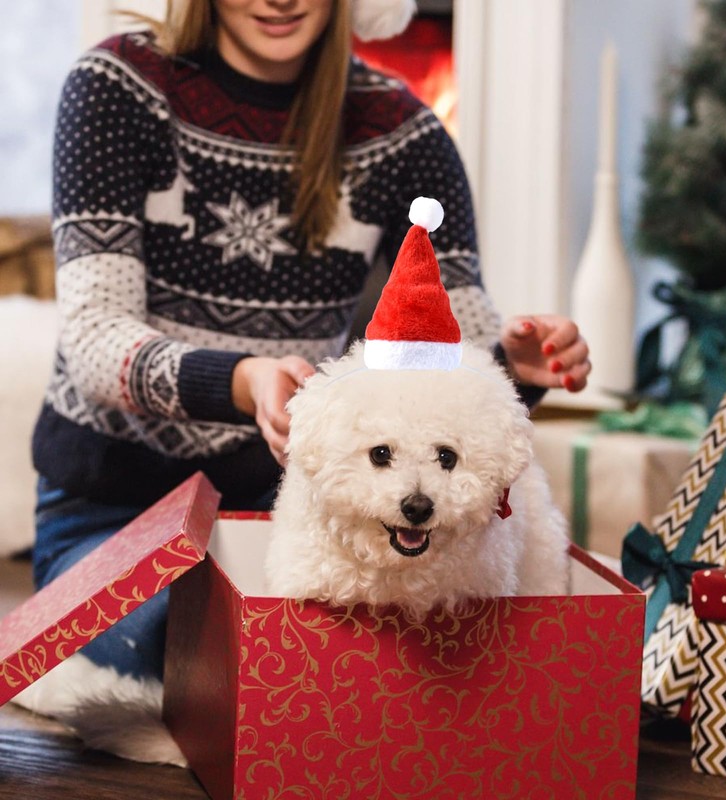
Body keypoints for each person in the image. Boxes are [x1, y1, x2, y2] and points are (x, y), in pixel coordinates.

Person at [30, 0, 591, 688]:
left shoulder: (403, 134)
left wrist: (514, 368)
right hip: (118, 511)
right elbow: (94, 339)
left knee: (344, 659)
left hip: (296, 514)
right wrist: (244, 381)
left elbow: (457, 352)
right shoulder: (119, 86)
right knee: (196, 653)